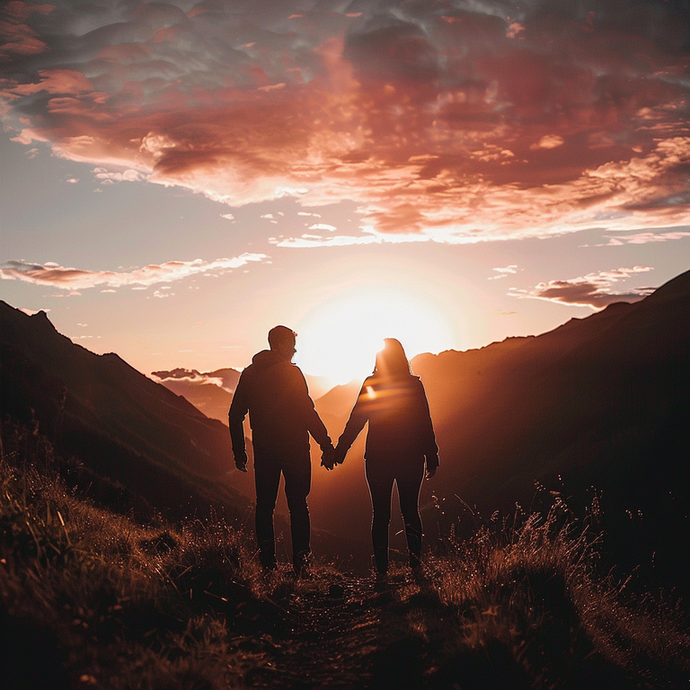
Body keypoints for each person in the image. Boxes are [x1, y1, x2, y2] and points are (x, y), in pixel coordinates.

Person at [229, 325, 334, 575]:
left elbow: (235, 414)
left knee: (264, 506)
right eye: (292, 344)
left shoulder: (250, 374)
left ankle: (268, 565)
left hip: (264, 450)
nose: (295, 350)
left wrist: (239, 450)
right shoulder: (291, 373)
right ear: (283, 345)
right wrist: (326, 444)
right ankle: (301, 565)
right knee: (298, 505)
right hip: (295, 449)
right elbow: (307, 413)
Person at [333, 338, 438, 587]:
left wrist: (340, 451)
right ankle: (416, 566)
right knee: (410, 511)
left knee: (380, 515)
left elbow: (357, 419)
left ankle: (381, 572)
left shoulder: (372, 384)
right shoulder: (414, 386)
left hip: (378, 459)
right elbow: (425, 422)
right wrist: (431, 456)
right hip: (410, 458)